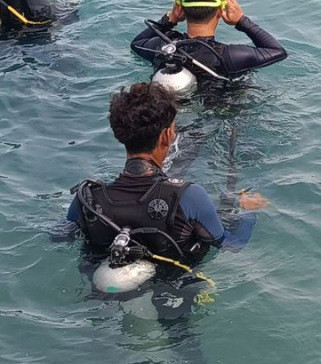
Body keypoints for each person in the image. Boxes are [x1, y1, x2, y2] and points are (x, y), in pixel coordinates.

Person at [67, 82, 261, 267]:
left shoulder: (88, 199)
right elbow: (232, 244)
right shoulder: (189, 196)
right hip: (175, 291)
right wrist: (249, 212)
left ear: (119, 134)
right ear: (167, 135)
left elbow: (61, 236)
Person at [130, 0, 287, 82]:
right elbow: (277, 51)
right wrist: (241, 20)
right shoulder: (230, 56)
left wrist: (169, 19)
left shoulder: (162, 48)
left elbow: (136, 43)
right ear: (219, 12)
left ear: (181, 10)